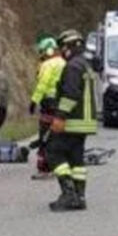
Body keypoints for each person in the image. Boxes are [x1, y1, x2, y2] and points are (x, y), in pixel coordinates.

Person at [46, 29, 97, 211]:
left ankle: (68, 194)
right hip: (85, 121)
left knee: (53, 152)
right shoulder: (86, 64)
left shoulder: (73, 66)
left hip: (73, 120)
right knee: (76, 159)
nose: (62, 52)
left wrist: (59, 116)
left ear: (68, 47)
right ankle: (79, 196)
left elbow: (71, 94)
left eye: (63, 48)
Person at [29, 36, 65, 180]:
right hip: (61, 104)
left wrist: (33, 101)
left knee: (44, 135)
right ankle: (58, 165)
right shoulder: (64, 62)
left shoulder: (47, 65)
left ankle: (44, 167)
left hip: (48, 103)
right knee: (57, 135)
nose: (41, 55)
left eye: (42, 52)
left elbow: (42, 84)